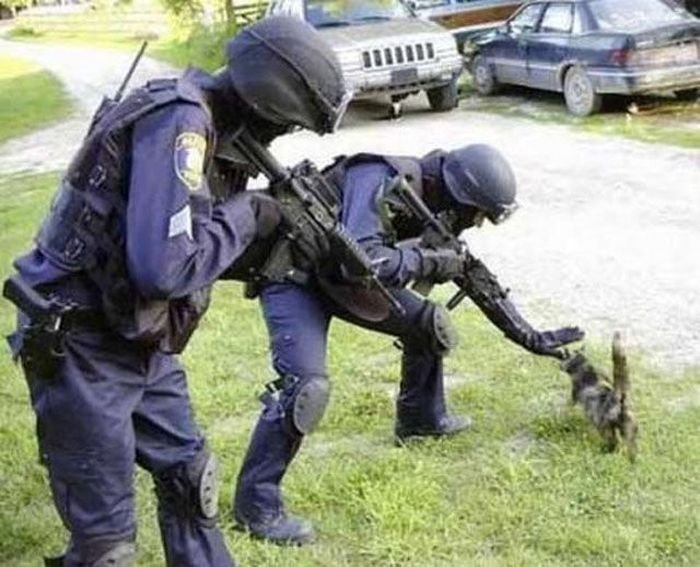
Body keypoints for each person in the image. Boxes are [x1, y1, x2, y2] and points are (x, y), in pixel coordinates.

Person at [3, 16, 348, 567]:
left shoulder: (210, 127)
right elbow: (163, 270)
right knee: (106, 547)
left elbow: (185, 247)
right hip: (81, 342)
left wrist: (273, 243)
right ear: (266, 101)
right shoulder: (181, 121)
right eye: (287, 122)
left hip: (137, 334)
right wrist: (248, 214)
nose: (282, 135)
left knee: (191, 479)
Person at [231, 144, 584, 545]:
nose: (477, 224)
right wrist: (430, 260)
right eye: (478, 214)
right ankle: (256, 507)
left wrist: (529, 335)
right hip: (296, 277)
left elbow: (471, 273)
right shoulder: (378, 175)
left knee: (429, 324)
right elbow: (364, 258)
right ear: (461, 196)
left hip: (344, 280)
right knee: (305, 389)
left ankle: (420, 420)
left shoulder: (433, 206)